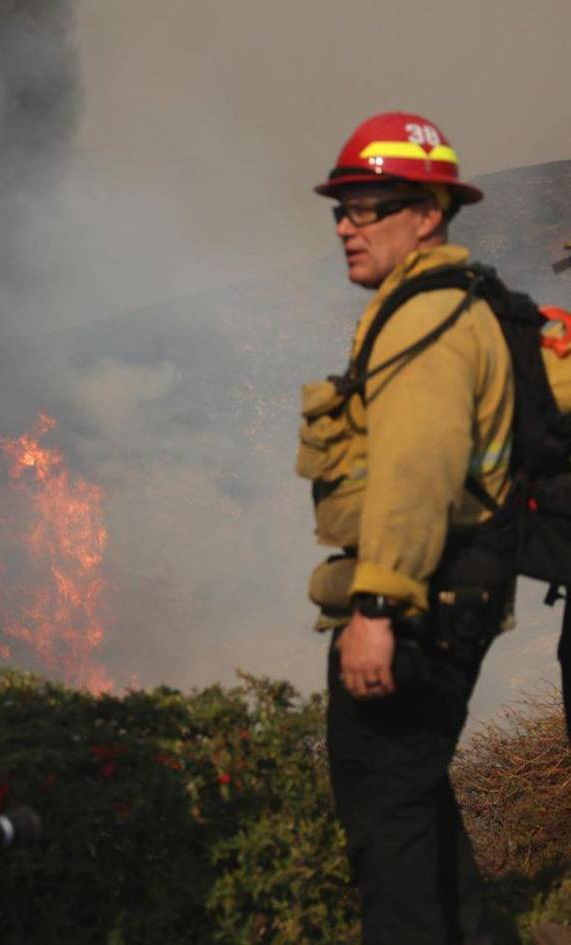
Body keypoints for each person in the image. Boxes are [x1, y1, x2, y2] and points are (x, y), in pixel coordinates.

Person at [298, 111, 512, 945]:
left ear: (429, 213)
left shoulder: (427, 317)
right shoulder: (438, 305)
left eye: (369, 206)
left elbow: (415, 470)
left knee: (387, 826)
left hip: (420, 601)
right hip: (448, 592)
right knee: (413, 800)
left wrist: (377, 610)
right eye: (340, 209)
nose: (347, 227)